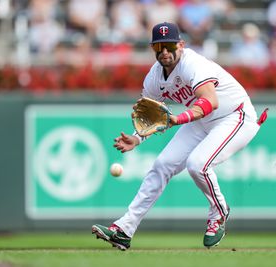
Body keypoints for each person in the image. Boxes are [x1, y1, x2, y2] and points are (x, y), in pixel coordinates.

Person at [91, 22, 265, 250]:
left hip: (235, 116)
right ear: (153, 48)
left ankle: (219, 211)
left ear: (180, 45)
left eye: (170, 45)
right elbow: (150, 113)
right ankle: (125, 229)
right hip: (202, 121)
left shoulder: (193, 64)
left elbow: (210, 101)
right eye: (159, 46)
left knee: (197, 164)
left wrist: (178, 119)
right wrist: (137, 137)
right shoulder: (153, 78)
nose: (164, 51)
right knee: (161, 165)